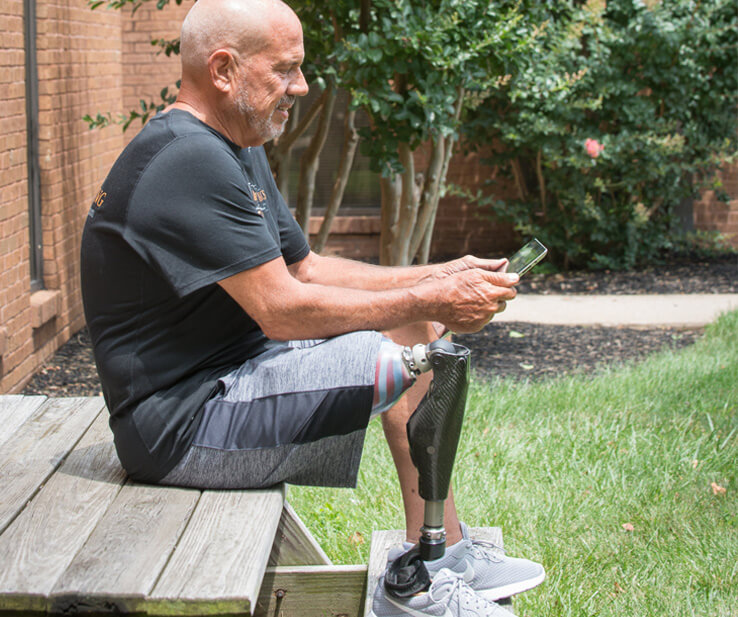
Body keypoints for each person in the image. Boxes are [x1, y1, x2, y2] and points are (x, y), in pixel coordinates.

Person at [80, 0, 544, 615]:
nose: (300, 86)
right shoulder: (187, 158)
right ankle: (414, 593)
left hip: (235, 371)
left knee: (410, 321)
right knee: (402, 356)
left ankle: (438, 550)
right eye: (285, 69)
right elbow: (282, 310)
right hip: (183, 425)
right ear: (224, 70)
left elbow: (305, 269)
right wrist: (433, 297)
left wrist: (438, 277)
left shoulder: (233, 143)